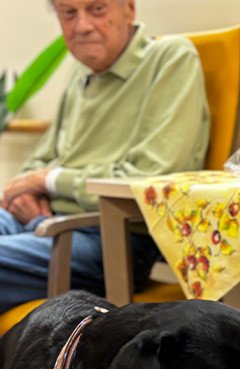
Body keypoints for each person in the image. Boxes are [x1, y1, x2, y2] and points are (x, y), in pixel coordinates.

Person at [0, 0, 209, 312]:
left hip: (111, 240)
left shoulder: (171, 59)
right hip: (41, 224)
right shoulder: (80, 74)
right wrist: (31, 192)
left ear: (129, 8)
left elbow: (149, 179)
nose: (82, 25)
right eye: (69, 13)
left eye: (97, 9)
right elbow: (40, 160)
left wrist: (48, 180)